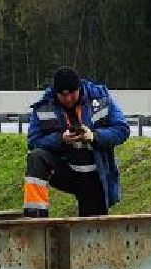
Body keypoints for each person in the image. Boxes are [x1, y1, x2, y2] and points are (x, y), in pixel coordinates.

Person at [23, 66, 129, 217]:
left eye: (72, 94)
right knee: (35, 157)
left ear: (80, 88)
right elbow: (33, 142)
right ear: (55, 92)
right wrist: (61, 139)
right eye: (63, 95)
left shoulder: (101, 98)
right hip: (65, 169)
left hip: (95, 175)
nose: (68, 99)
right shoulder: (43, 105)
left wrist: (93, 136)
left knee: (91, 229)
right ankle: (35, 218)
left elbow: (122, 130)